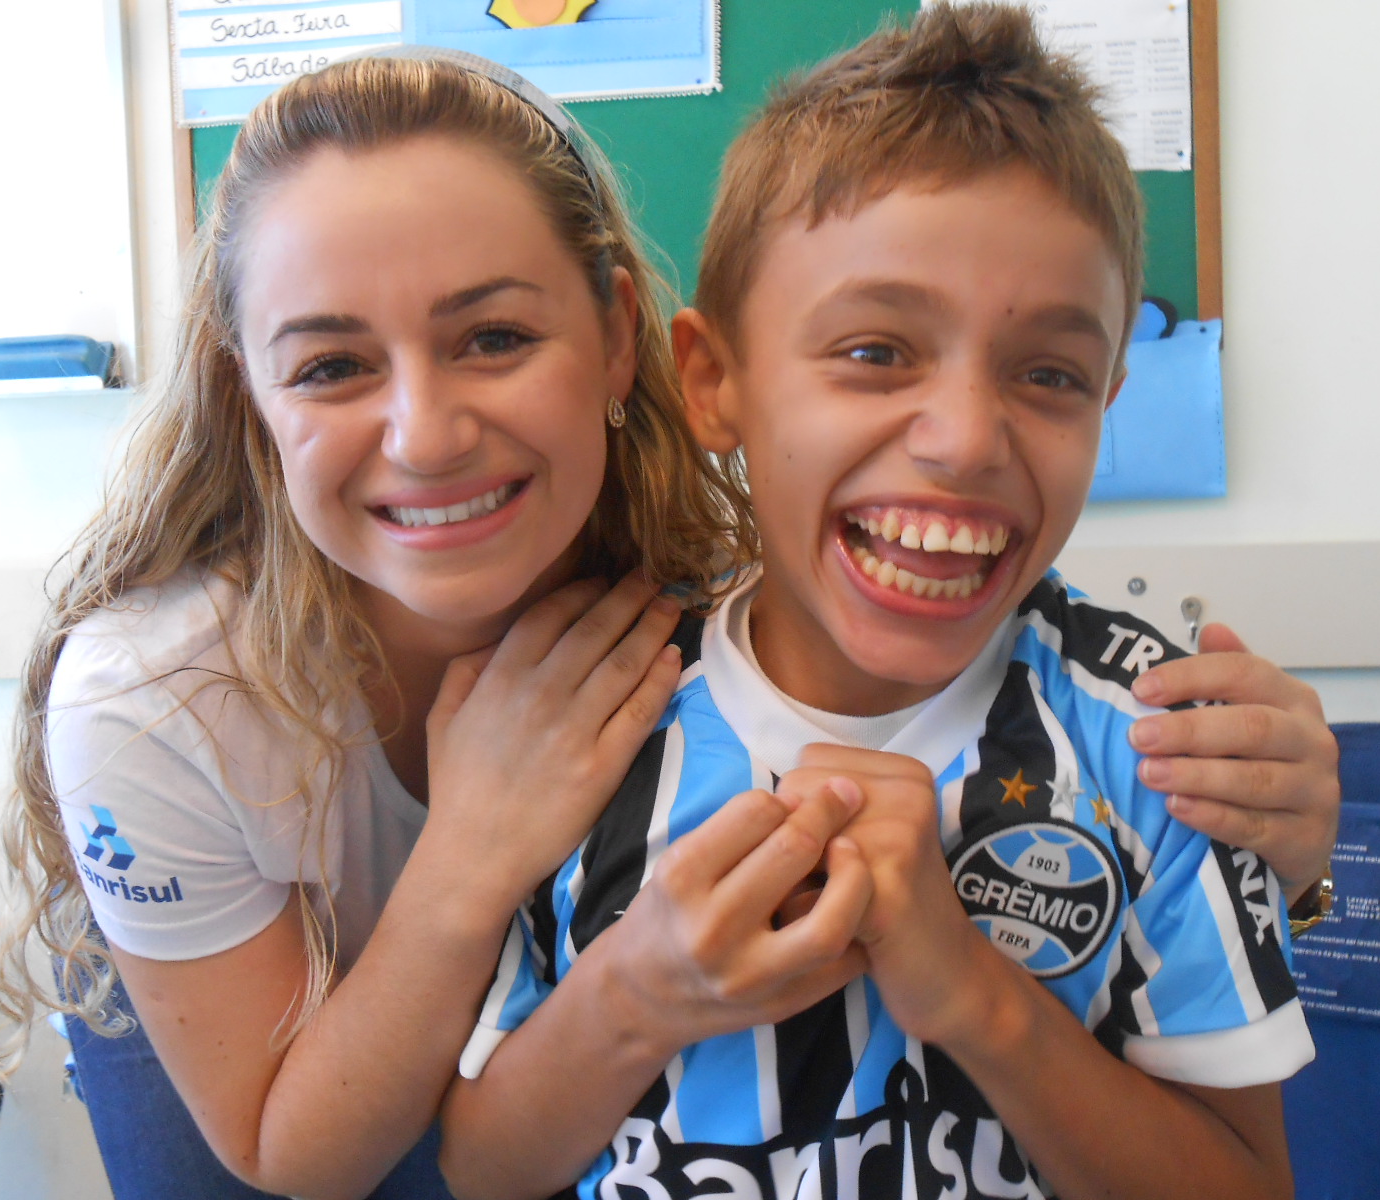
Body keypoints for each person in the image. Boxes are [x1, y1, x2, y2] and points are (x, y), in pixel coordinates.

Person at [0, 40, 1335, 1200]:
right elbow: (322, 1152)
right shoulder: (150, 696)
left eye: (495, 337)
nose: (429, 431)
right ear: (248, 395)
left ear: (625, 344)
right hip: (265, 1072)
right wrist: (476, 863)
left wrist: (1285, 846)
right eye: (333, 363)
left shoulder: (699, 585)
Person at [440, 8, 1321, 1199]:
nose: (962, 440)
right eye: (874, 352)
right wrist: (635, 994)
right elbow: (487, 1167)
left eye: (1049, 375)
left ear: (1108, 399)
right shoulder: (592, 718)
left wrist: (973, 998)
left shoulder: (1154, 744)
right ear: (712, 381)